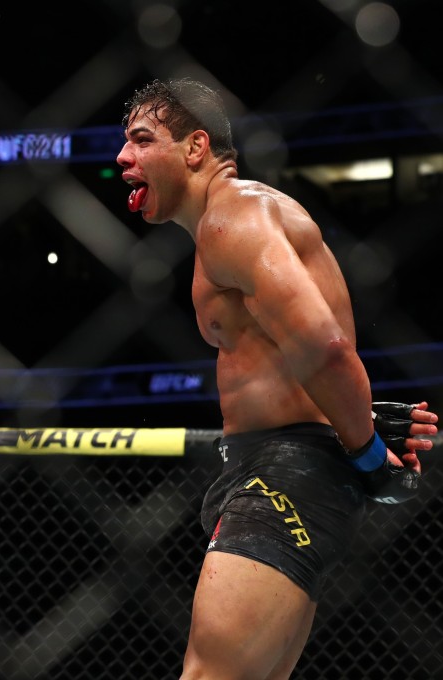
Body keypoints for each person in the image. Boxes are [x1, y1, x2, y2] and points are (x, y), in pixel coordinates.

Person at [116, 78, 438, 679]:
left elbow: (326, 347)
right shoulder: (237, 220)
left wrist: (366, 452)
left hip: (282, 478)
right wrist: (357, 426)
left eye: (141, 139)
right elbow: (308, 357)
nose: (122, 158)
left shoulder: (232, 218)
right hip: (287, 469)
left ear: (195, 148)